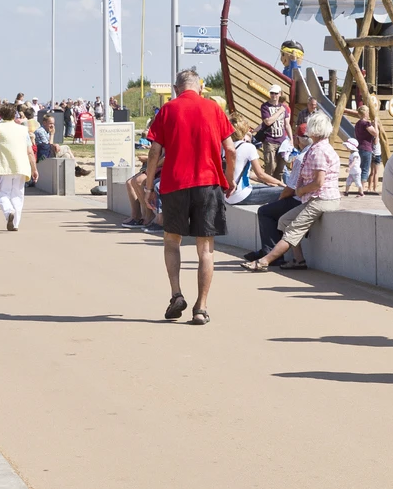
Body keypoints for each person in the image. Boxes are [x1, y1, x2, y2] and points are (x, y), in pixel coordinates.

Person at [144, 69, 236, 325]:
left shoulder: (168, 110)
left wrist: (149, 186)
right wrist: (227, 179)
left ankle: (176, 295)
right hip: (208, 183)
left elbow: (153, 152)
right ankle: (201, 308)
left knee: (172, 242)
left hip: (175, 184)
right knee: (205, 249)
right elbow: (230, 149)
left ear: (176, 88)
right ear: (200, 87)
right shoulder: (214, 109)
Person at [242, 112, 341, 272]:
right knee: (284, 221)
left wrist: (301, 190)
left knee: (292, 230)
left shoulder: (318, 151)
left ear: (313, 129)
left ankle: (264, 261)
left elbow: (318, 182)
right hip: (317, 198)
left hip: (321, 199)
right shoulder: (319, 148)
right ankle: (298, 260)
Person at [0, 104, 38, 231]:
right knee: (18, 195)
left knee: (2, 192)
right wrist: (34, 168)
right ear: (14, 114)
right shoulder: (22, 129)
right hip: (21, 166)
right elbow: (29, 151)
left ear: (1, 115)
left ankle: (9, 211)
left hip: (4, 165)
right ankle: (15, 224)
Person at [225, 115, 285, 206]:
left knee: (268, 186)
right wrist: (280, 183)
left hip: (227, 195)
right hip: (240, 195)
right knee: (284, 191)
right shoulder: (248, 147)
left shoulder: (224, 146)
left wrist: (267, 182)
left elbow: (249, 174)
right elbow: (260, 174)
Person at [259, 84, 291, 180]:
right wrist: (279, 111)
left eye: (276, 93)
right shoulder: (265, 106)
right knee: (270, 166)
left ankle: (277, 187)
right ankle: (269, 186)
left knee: (281, 168)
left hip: (282, 140)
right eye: (272, 93)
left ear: (280, 94)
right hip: (269, 140)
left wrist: (291, 140)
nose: (273, 95)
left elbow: (287, 124)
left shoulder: (284, 107)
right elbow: (268, 122)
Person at [353, 104, 378, 191]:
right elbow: (375, 133)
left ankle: (359, 187)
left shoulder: (357, 124)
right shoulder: (366, 124)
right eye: (367, 112)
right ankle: (362, 188)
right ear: (365, 113)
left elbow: (355, 135)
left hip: (359, 146)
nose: (368, 114)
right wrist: (375, 125)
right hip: (366, 147)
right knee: (365, 168)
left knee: (360, 167)